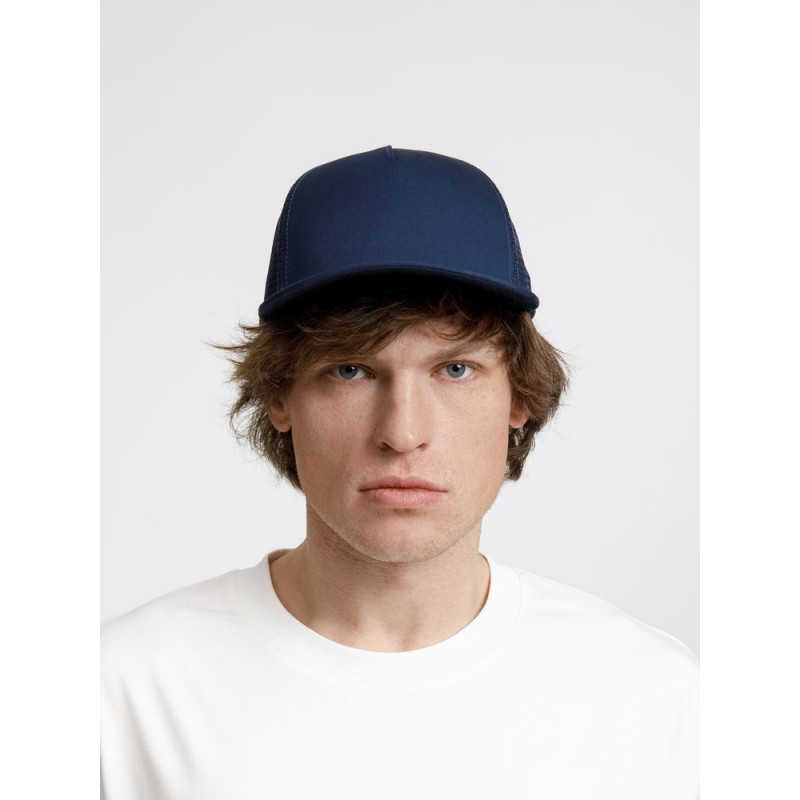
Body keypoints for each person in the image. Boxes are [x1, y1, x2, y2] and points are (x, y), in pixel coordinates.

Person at [101, 146, 699, 799]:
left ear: (519, 397)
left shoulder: (650, 699)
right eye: (351, 370)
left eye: (455, 370)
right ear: (279, 396)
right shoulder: (121, 694)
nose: (402, 432)